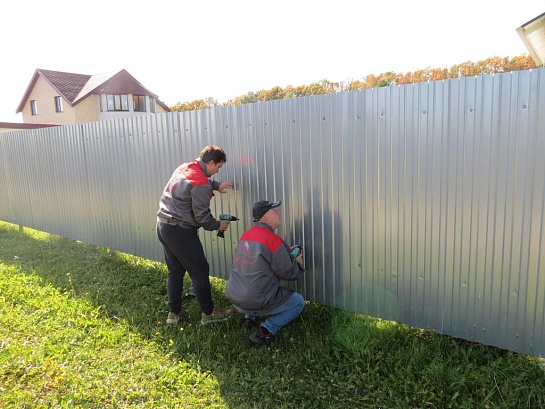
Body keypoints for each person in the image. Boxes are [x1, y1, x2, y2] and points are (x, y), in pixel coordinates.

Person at [156, 145, 234, 325]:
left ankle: (174, 313)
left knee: (175, 270)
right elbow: (203, 218)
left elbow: (197, 182)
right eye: (218, 167)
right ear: (211, 162)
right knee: (200, 270)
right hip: (180, 231)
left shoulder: (184, 167)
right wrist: (219, 225)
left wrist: (217, 185)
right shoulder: (201, 183)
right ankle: (209, 313)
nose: (217, 171)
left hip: (163, 225)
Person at [226, 200, 306, 346]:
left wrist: (285, 253)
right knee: (298, 302)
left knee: (252, 279)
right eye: (275, 211)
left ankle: (249, 318)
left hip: (235, 297)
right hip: (255, 300)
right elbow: (289, 274)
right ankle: (266, 330)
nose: (279, 213)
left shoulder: (246, 235)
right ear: (266, 218)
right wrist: (298, 263)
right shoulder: (272, 240)